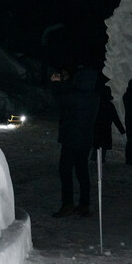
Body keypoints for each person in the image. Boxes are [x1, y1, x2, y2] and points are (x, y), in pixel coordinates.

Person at [50, 64, 98, 217]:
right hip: (85, 139)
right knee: (82, 171)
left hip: (71, 139)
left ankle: (68, 204)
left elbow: (59, 100)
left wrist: (57, 82)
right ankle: (84, 204)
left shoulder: (74, 95)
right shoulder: (94, 96)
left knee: (65, 171)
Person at [93, 74, 126, 163]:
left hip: (96, 127)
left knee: (95, 143)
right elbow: (115, 118)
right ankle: (101, 159)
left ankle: (94, 157)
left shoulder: (96, 104)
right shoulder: (109, 106)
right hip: (105, 128)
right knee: (103, 144)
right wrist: (122, 130)